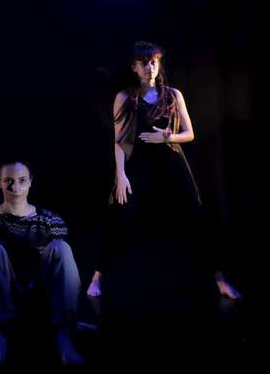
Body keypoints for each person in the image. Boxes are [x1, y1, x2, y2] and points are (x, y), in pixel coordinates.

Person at [85, 42, 240, 300]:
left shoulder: (173, 95)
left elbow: (189, 133)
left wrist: (168, 137)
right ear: (135, 67)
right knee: (118, 216)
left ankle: (220, 280)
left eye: (154, 61)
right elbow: (119, 140)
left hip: (172, 163)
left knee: (196, 218)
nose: (150, 67)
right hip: (138, 165)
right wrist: (120, 175)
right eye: (144, 62)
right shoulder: (126, 97)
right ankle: (96, 278)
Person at [0, 161, 83, 367]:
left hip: (39, 296)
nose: (16, 187)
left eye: (22, 180)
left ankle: (64, 337)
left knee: (61, 247)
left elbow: (58, 267)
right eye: (8, 181)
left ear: (30, 182)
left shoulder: (50, 220)